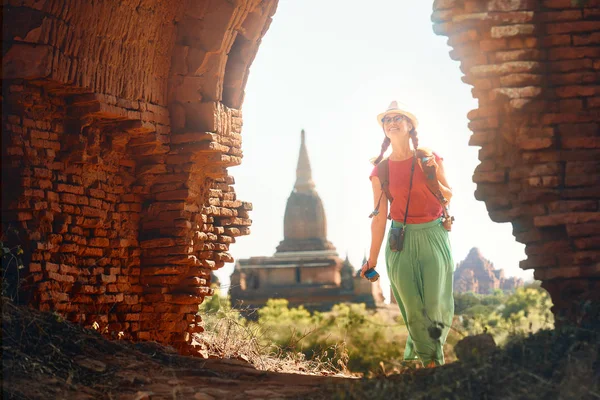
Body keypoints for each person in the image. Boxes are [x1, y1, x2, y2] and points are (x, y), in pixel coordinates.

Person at [360, 101, 454, 367]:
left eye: (398, 117)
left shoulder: (428, 158)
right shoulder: (381, 170)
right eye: (387, 119)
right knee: (413, 310)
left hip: (433, 235)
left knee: (436, 307)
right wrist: (372, 260)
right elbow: (379, 217)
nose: (392, 122)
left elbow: (448, 195)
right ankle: (431, 367)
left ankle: (435, 359)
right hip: (399, 240)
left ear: (410, 125)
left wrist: (432, 174)